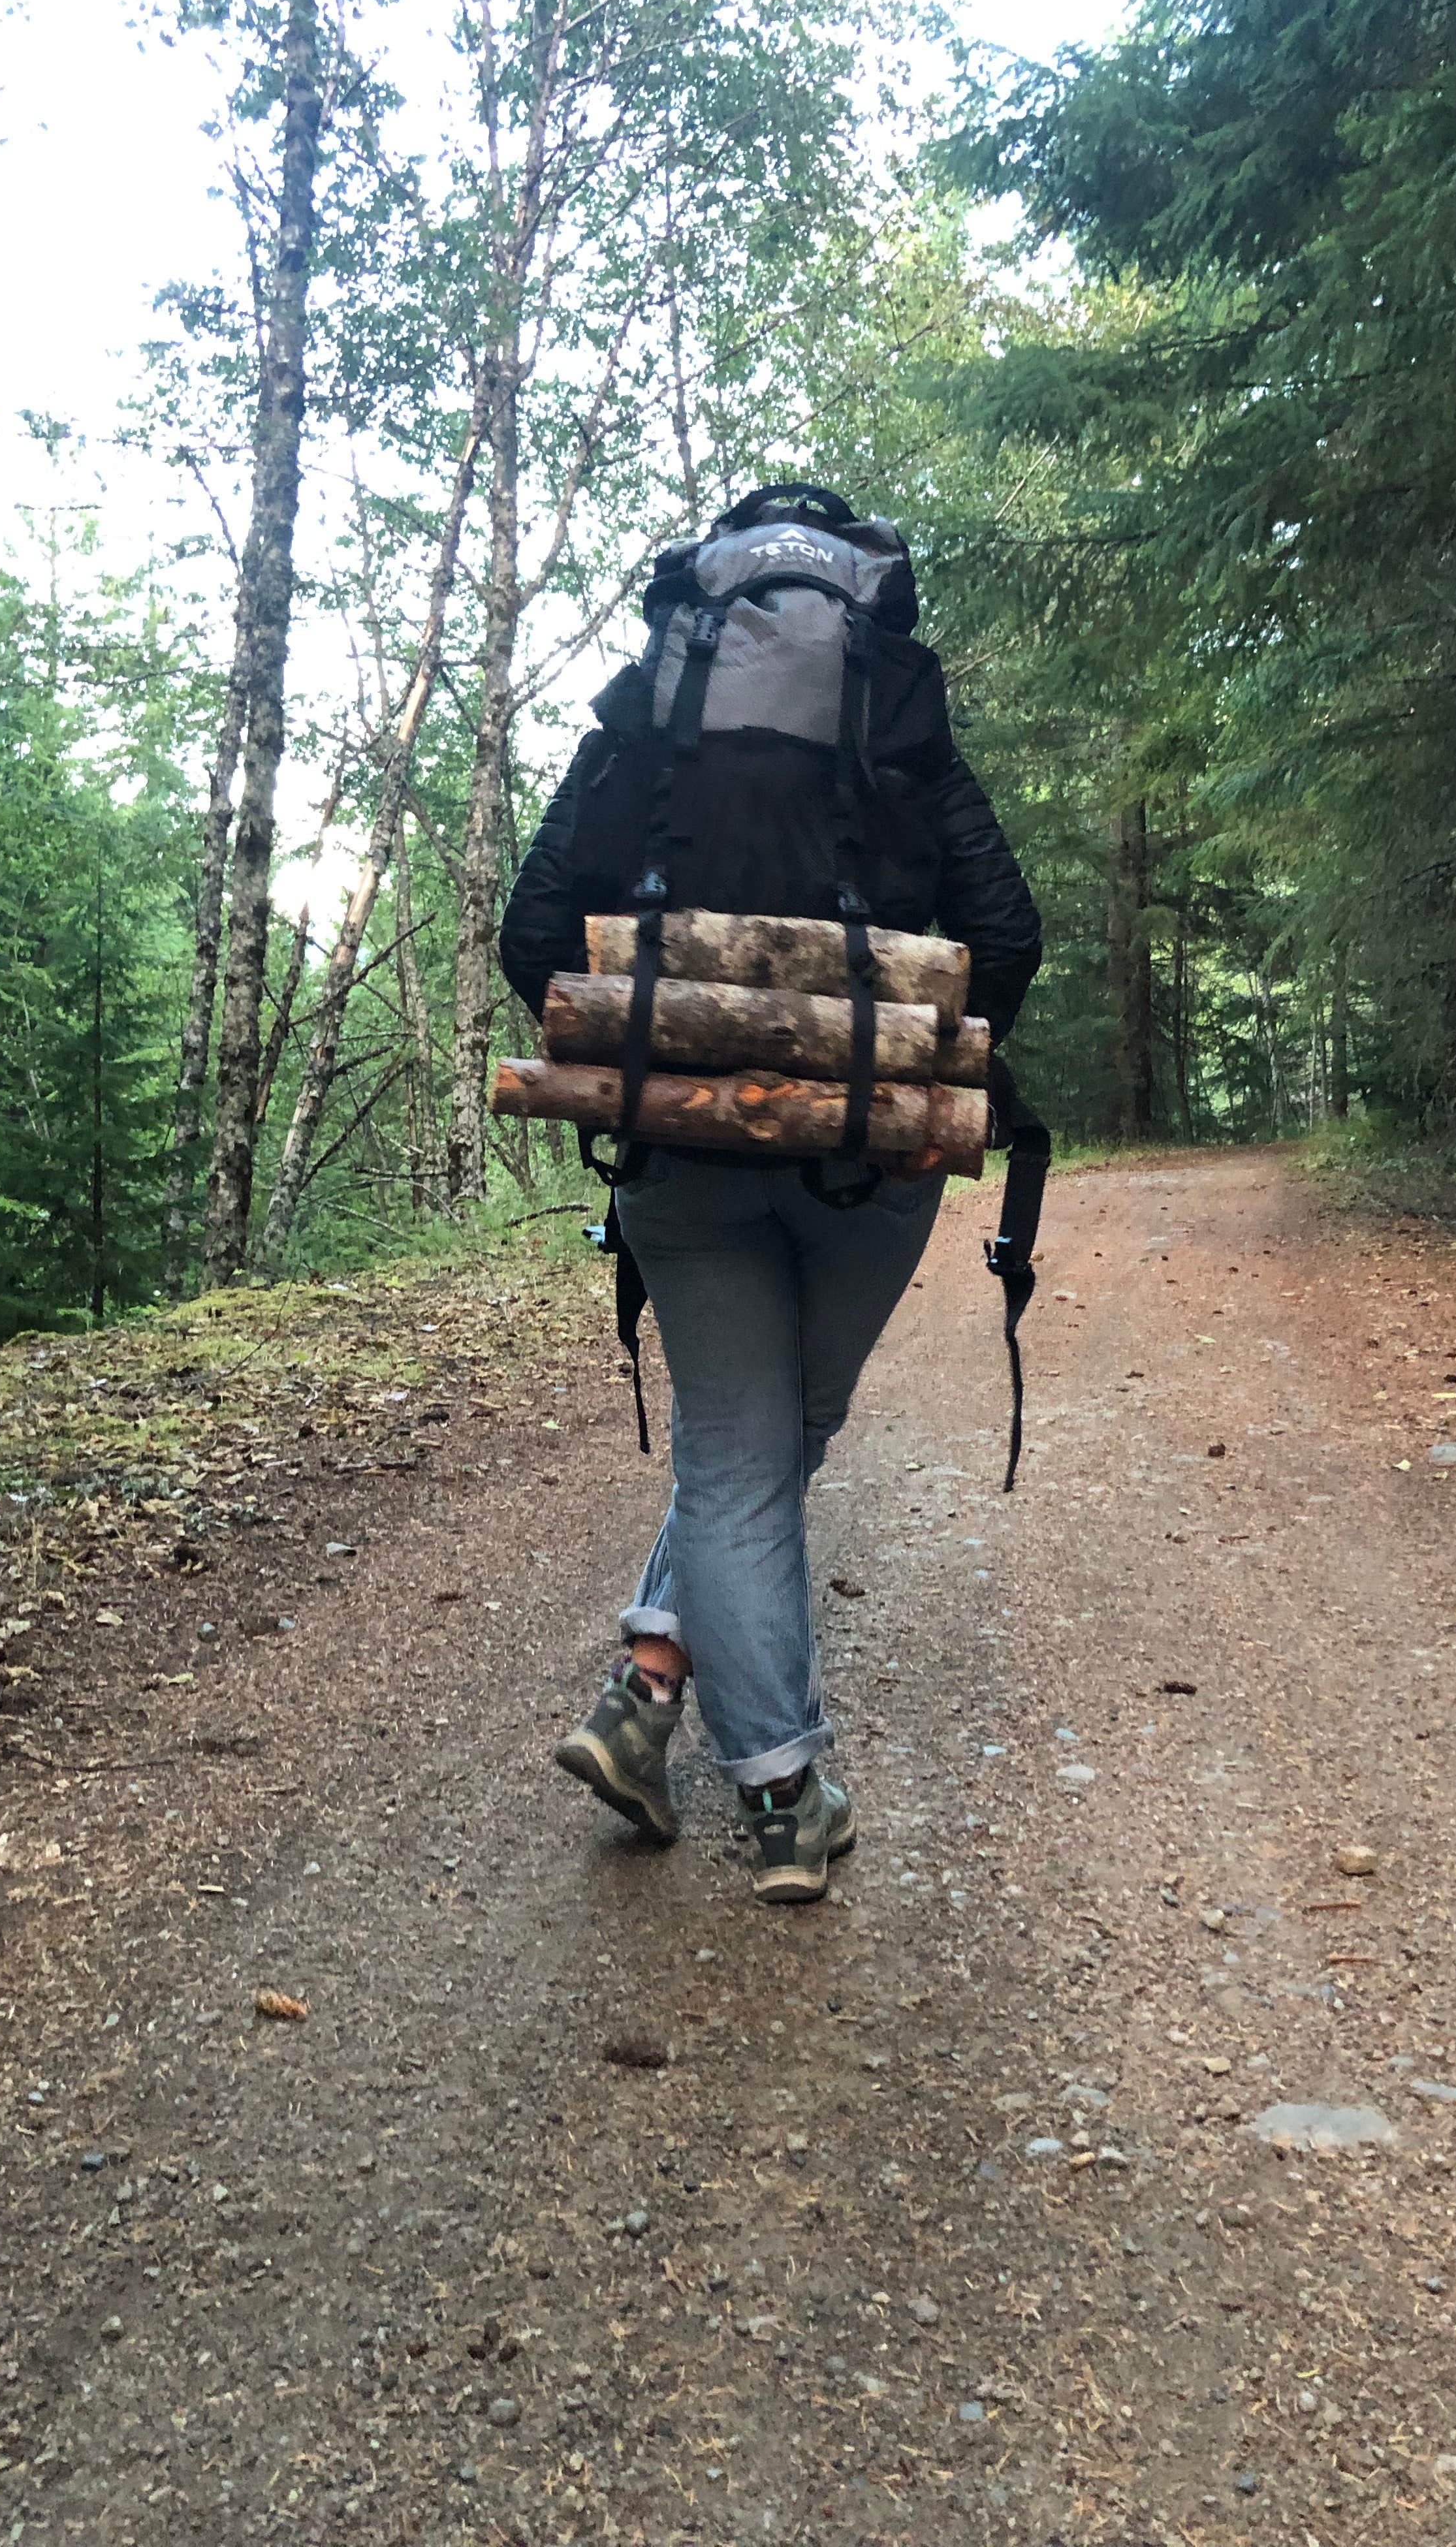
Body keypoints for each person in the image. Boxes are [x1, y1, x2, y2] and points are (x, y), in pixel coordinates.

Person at [498, 484, 1039, 1904]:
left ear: (709, 600)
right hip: (866, 1158)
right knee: (777, 1436)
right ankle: (782, 1785)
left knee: (741, 1448)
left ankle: (650, 1693)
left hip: (681, 1152)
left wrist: (668, 1031)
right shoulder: (895, 709)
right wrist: (901, 1061)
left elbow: (534, 932)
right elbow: (1008, 937)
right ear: (860, 599)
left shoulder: (650, 713)